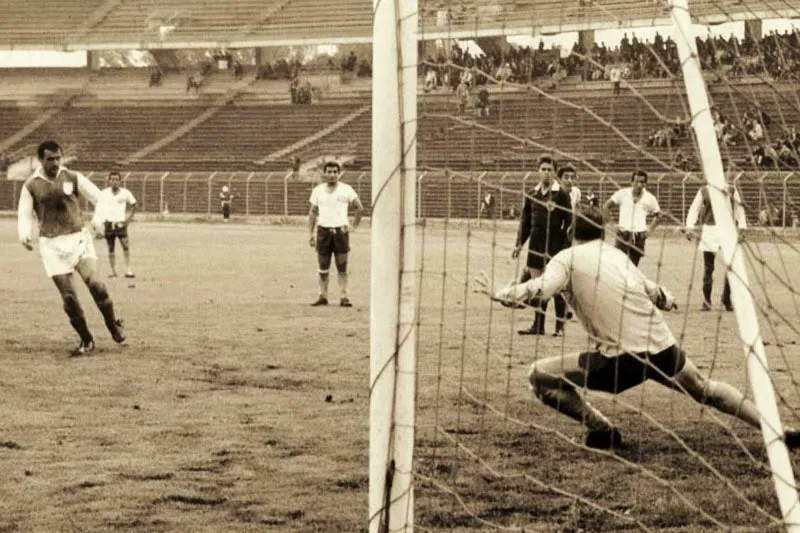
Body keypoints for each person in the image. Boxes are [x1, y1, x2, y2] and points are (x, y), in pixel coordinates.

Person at [475, 207, 800, 450]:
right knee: (706, 390)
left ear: (572, 230)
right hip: (661, 348)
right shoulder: (616, 255)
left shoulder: (566, 257)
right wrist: (669, 299)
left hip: (620, 362)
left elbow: (541, 290)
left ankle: (601, 429)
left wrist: (501, 293)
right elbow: (654, 292)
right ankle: (777, 431)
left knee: (538, 375)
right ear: (602, 232)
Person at [17, 140, 126, 356]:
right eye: (50, 159)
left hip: (78, 239)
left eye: (58, 158)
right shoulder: (31, 185)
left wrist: (97, 221)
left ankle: (113, 325)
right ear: (40, 159)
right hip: (51, 245)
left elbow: (99, 197)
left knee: (95, 285)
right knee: (68, 298)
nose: (55, 162)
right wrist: (24, 234)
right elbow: (24, 213)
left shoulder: (73, 177)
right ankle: (87, 340)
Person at [513, 155, 572, 336]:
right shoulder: (532, 194)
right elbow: (525, 222)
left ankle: (560, 327)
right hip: (536, 244)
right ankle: (538, 326)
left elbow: (569, 222)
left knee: (556, 286)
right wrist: (519, 245)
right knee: (538, 285)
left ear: (555, 173)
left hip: (555, 245)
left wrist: (565, 247)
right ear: (538, 171)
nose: (546, 173)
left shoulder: (561, 194)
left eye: (550, 170)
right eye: (543, 169)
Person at [308, 161, 364, 307]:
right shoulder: (318, 190)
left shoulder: (346, 190)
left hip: (340, 232)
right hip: (323, 232)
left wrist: (353, 226)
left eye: (335, 172)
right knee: (323, 265)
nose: (332, 175)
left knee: (342, 265)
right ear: (325, 173)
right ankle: (322, 296)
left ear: (339, 174)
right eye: (329, 172)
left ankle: (344, 297)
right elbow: (313, 212)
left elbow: (359, 208)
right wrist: (310, 234)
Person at [685, 184, 747, 312]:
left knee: (731, 266)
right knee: (709, 267)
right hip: (710, 231)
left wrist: (742, 227)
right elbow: (694, 209)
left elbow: (739, 209)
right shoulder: (704, 190)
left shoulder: (731, 189)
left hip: (727, 229)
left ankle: (726, 298)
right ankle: (707, 301)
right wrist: (689, 226)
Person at [603, 170, 662, 267]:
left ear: (645, 184)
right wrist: (612, 225)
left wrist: (650, 230)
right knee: (619, 266)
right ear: (631, 182)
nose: (639, 185)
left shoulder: (650, 198)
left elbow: (659, 215)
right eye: (636, 181)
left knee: (633, 268)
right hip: (623, 235)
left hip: (639, 237)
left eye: (642, 182)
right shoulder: (622, 194)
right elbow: (606, 206)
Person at [94, 171, 137, 278]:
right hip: (109, 223)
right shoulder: (103, 193)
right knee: (110, 247)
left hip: (120, 223)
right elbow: (99, 208)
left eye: (116, 180)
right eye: (112, 179)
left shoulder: (125, 193)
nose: (114, 182)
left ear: (120, 181)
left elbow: (133, 205)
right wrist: (99, 222)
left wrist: (127, 220)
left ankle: (128, 270)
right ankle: (113, 271)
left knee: (125, 246)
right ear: (108, 181)